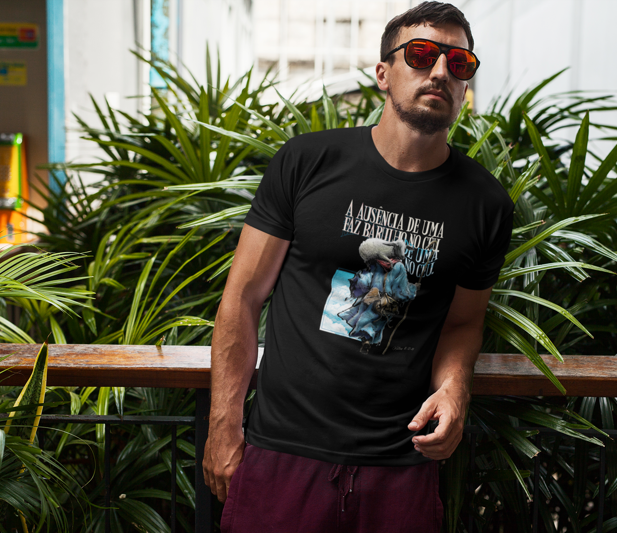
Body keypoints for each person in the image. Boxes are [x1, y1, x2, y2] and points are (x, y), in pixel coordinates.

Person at [203, 2, 514, 531]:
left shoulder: (485, 204)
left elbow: (463, 323)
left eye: (459, 62)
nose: (441, 71)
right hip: (283, 452)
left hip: (401, 463)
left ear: (466, 84)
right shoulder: (307, 161)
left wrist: (454, 388)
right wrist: (223, 427)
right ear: (383, 74)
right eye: (422, 54)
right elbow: (243, 299)